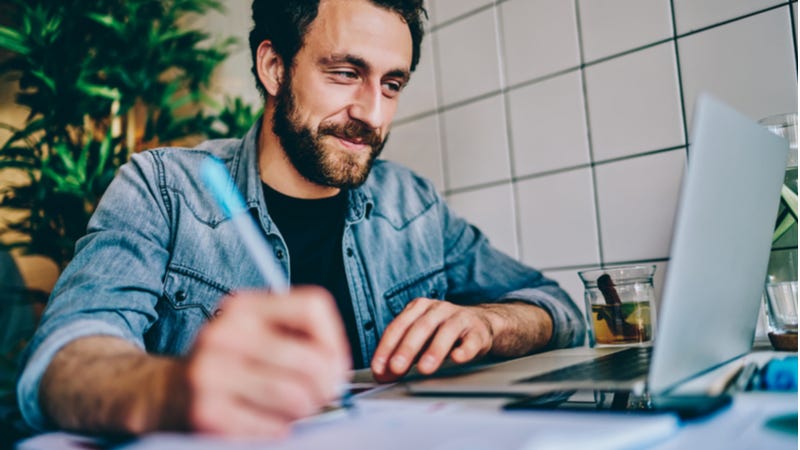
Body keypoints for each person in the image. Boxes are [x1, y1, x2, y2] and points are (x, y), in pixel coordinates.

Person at [16, 0, 585, 439]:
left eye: (392, 83)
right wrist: (174, 389)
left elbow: (558, 310)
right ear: (273, 66)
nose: (373, 114)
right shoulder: (163, 189)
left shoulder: (411, 205)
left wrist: (489, 325)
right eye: (345, 73)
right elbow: (59, 364)